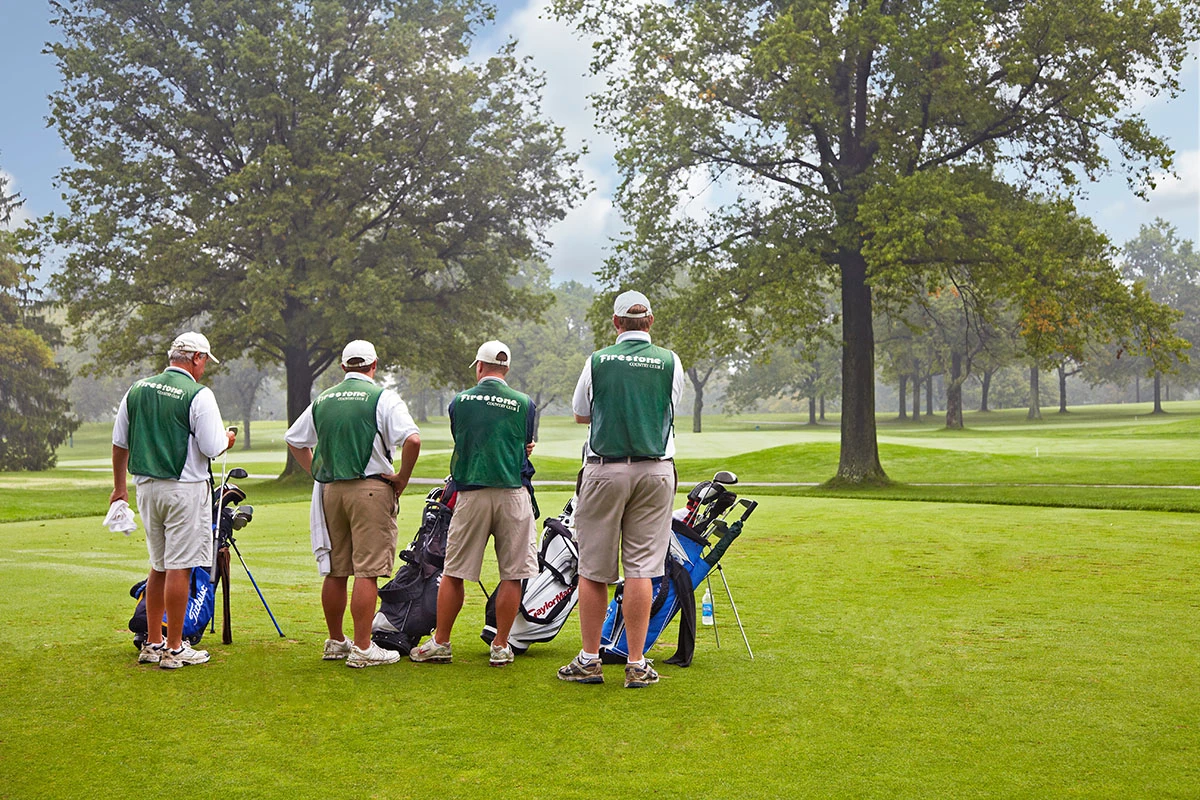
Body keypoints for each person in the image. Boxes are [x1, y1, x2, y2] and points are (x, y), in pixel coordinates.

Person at [558, 290, 684, 688]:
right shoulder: (670, 361)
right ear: (649, 322)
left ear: (616, 324)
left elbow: (581, 413)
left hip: (605, 469)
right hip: (656, 471)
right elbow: (667, 407)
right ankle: (636, 662)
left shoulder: (597, 361)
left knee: (594, 570)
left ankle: (590, 659)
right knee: (642, 569)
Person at [284, 340, 421, 669]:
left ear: (344, 367)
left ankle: (336, 641)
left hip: (331, 491)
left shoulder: (324, 398)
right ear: (374, 366)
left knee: (336, 570)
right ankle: (362, 648)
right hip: (371, 489)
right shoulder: (382, 397)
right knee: (368, 570)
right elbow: (412, 439)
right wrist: (401, 477)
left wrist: (317, 471)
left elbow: (294, 439)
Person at [111, 331, 236, 670]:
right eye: (205, 361)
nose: (205, 368)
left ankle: (153, 642)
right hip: (184, 489)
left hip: (146, 488)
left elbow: (120, 442)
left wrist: (119, 488)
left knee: (159, 565)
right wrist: (228, 438)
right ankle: (176, 648)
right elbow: (212, 448)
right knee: (180, 566)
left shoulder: (137, 389)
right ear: (196, 358)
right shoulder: (199, 394)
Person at [410, 341, 538, 668]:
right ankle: (500, 645)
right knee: (512, 574)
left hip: (471, 494)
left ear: (479, 367)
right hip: (513, 494)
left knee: (453, 572)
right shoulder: (525, 403)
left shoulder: (459, 402)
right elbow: (525, 445)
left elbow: (463, 438)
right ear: (506, 369)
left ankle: (441, 642)